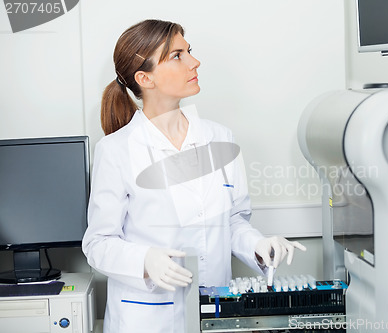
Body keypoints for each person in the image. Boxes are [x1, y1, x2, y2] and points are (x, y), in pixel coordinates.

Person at [82, 19, 306, 333]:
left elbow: (233, 221)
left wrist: (258, 244)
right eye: (177, 55)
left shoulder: (220, 138)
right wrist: (145, 260)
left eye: (189, 51)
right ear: (145, 78)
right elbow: (98, 243)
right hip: (147, 318)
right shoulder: (117, 150)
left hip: (215, 311)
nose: (194, 62)